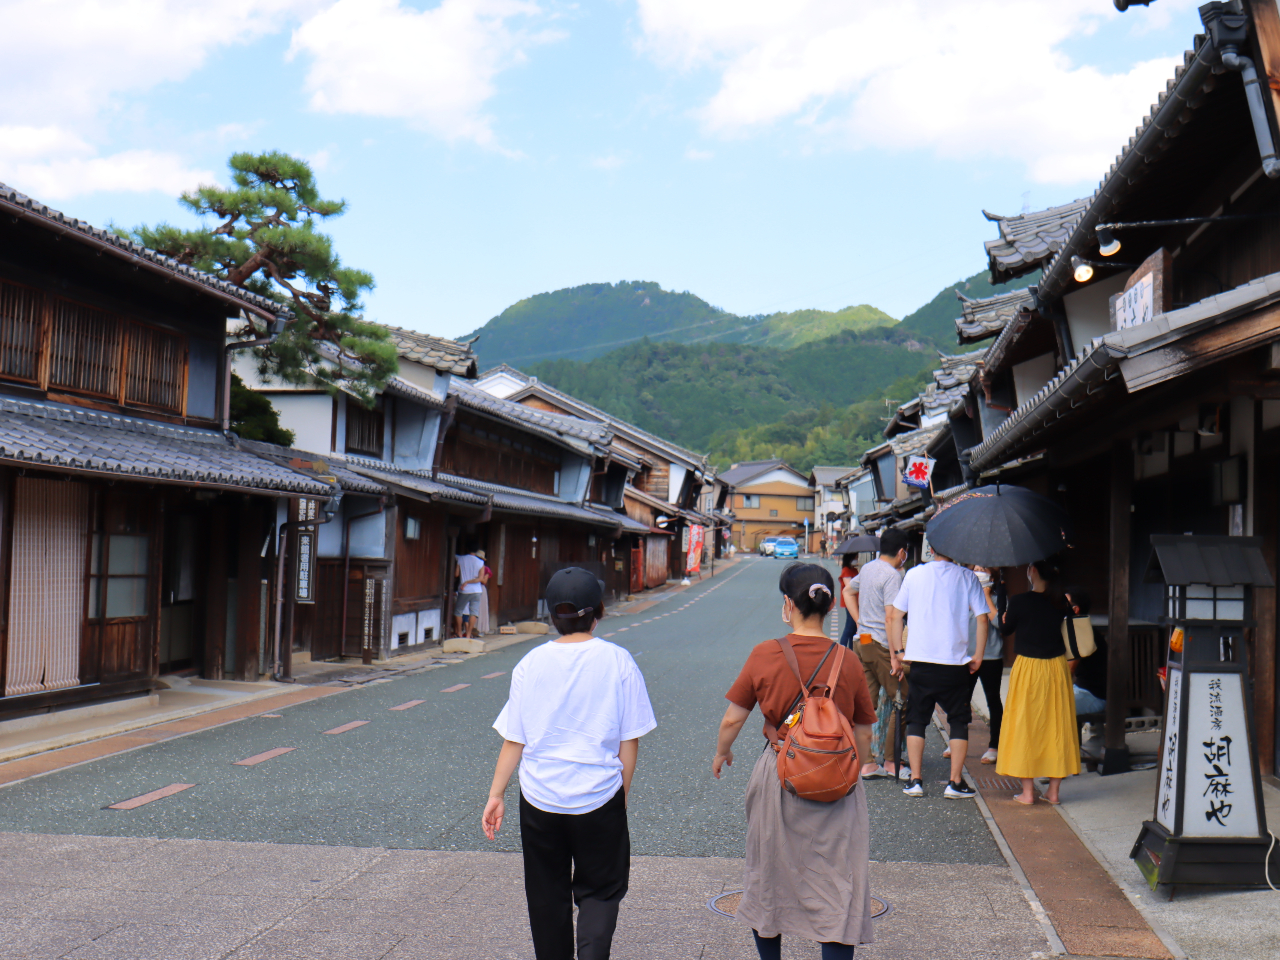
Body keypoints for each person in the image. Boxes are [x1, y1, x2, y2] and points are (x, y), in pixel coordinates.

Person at [483, 567, 656, 960]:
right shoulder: (619, 661)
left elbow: (516, 737)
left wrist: (496, 794)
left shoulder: (530, 663)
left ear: (550, 615)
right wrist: (621, 796)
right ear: (599, 611)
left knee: (546, 894)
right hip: (599, 796)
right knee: (601, 891)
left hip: (540, 796)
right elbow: (630, 741)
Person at [713, 562, 876, 960]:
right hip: (837, 778)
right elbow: (865, 732)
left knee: (769, 872)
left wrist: (723, 751)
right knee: (839, 879)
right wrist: (861, 764)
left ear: (788, 605)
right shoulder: (848, 660)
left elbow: (734, 717)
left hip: (780, 772)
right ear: (831, 606)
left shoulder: (765, 654)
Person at [886, 547, 988, 799]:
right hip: (954, 664)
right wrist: (979, 656)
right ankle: (954, 783)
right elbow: (983, 618)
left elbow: (895, 616)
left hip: (920, 662)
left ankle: (916, 780)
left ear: (930, 549)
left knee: (916, 719)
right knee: (958, 720)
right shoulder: (967, 577)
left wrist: (898, 652)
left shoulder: (914, 574)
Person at [997, 559, 1081, 805]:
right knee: (1057, 724)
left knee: (1026, 724)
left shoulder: (1020, 601)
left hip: (1029, 668)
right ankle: (1053, 792)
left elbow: (1006, 630)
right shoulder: (1060, 601)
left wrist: (1002, 608)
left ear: (1032, 571)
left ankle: (1027, 792)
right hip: (1056, 667)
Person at [844, 529, 908, 779]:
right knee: (902, 698)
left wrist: (860, 622)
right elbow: (892, 616)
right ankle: (892, 761)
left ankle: (867, 763)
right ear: (902, 552)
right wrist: (896, 655)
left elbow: (848, 590)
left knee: (865, 703)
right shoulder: (892, 576)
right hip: (881, 643)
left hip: (862, 641)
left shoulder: (869, 568)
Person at [1064, 586, 1107, 718]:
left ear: (1075, 609)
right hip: (1081, 689)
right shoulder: (1075, 628)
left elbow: (1069, 669)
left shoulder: (1080, 631)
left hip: (1093, 695)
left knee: (1053, 709)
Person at [453, 548, 486, 639]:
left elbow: (456, 574)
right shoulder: (480, 563)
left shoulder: (461, 559)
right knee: (473, 612)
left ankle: (459, 632)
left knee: (458, 611)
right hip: (477, 590)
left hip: (464, 591)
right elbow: (480, 579)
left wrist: (466, 581)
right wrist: (469, 581)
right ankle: (468, 634)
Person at [837, 556, 860, 649]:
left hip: (857, 601)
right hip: (849, 602)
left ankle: (851, 649)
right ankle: (842, 648)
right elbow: (849, 586)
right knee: (849, 627)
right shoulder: (846, 570)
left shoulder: (854, 570)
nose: (857, 559)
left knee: (854, 629)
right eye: (855, 557)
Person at [476, 549, 493, 636]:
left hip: (481, 588)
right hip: (473, 587)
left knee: (481, 608)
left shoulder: (486, 569)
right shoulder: (473, 566)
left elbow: (484, 581)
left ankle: (481, 629)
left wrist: (477, 578)